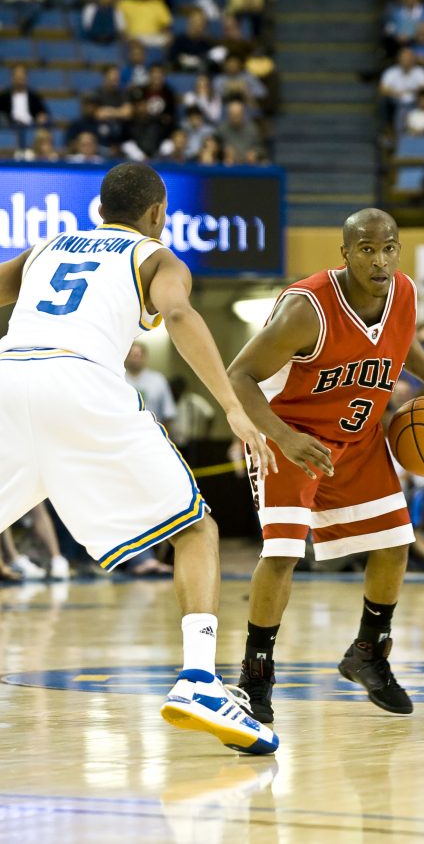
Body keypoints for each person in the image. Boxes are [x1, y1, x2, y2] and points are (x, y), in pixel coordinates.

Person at [0, 162, 278, 755]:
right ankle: (200, 682)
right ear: (157, 212)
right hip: (80, 384)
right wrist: (231, 405)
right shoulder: (156, 257)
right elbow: (177, 315)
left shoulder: (45, 247)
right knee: (197, 528)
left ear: (100, 210)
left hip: (9, 376)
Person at [227, 207, 424, 722]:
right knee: (284, 550)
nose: (379, 260)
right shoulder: (306, 309)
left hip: (355, 440)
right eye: (366, 249)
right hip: (288, 435)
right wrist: (284, 438)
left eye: (388, 248)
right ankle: (255, 674)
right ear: (346, 253)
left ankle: (368, 654)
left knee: (395, 544)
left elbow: (399, 341)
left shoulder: (403, 292)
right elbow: (238, 375)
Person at [125, 340, 177, 429]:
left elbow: (168, 414)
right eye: (132, 355)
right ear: (125, 356)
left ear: (145, 357)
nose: (135, 358)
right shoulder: (118, 378)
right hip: (124, 432)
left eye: (138, 355)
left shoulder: (158, 380)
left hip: (152, 433)